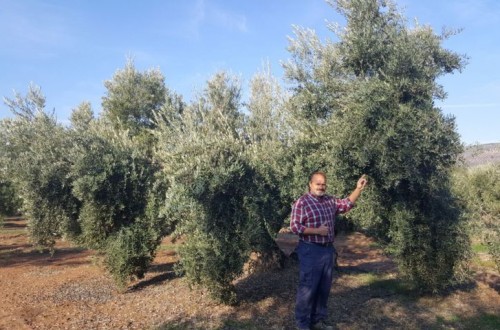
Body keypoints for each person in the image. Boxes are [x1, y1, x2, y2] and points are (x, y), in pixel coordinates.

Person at [290, 171, 367, 330]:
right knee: (308, 289)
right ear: (310, 184)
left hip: (327, 251)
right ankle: (302, 325)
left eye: (323, 183)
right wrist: (317, 231)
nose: (321, 186)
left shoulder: (330, 201)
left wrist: (358, 189)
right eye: (318, 183)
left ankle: (317, 321)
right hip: (310, 250)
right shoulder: (302, 203)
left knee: (323, 289)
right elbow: (295, 226)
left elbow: (346, 204)